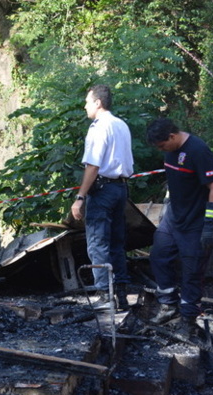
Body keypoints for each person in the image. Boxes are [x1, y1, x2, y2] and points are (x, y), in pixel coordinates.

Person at [145, 118, 213, 336]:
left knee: (192, 269)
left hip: (195, 222)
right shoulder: (170, 150)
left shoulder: (198, 151)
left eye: (162, 146)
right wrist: (167, 205)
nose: (162, 150)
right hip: (173, 217)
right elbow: (174, 181)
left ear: (172, 136)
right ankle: (169, 305)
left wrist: (211, 225)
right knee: (159, 257)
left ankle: (188, 317)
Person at [71, 84, 134, 310]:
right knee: (117, 243)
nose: (85, 105)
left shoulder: (99, 127)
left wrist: (80, 197)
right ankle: (122, 293)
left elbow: (93, 165)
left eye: (88, 101)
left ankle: (104, 296)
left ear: (98, 103)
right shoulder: (121, 125)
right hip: (121, 188)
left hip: (103, 190)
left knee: (98, 242)